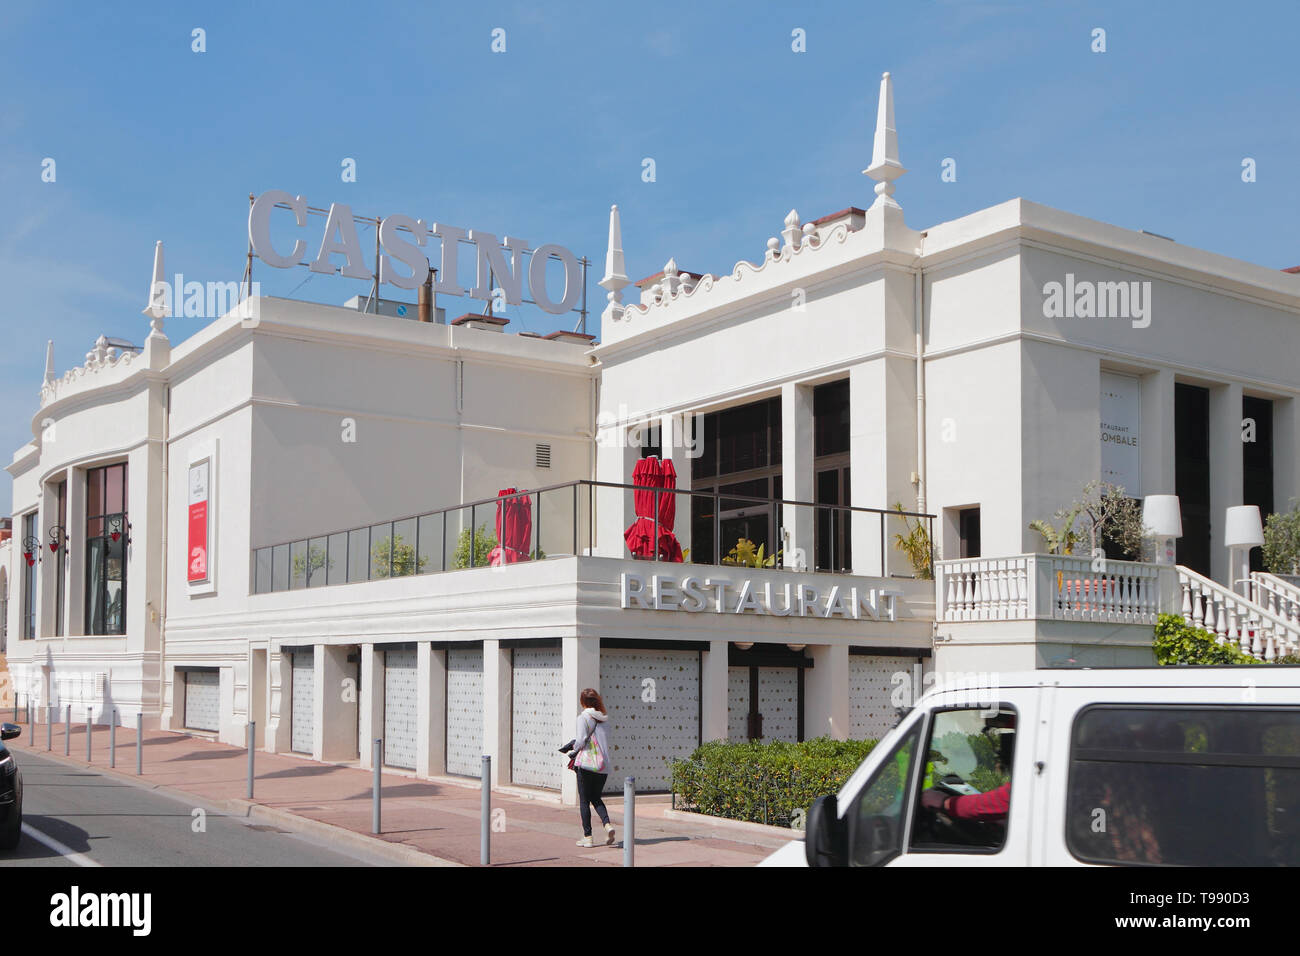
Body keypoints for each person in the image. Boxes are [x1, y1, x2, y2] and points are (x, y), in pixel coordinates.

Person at [570, 688, 615, 848]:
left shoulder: (583, 718)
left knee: (584, 801)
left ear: (582, 702)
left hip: (586, 765)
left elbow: (581, 741)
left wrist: (572, 749)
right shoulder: (604, 719)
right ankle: (607, 825)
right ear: (597, 701)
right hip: (602, 766)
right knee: (596, 797)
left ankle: (588, 837)